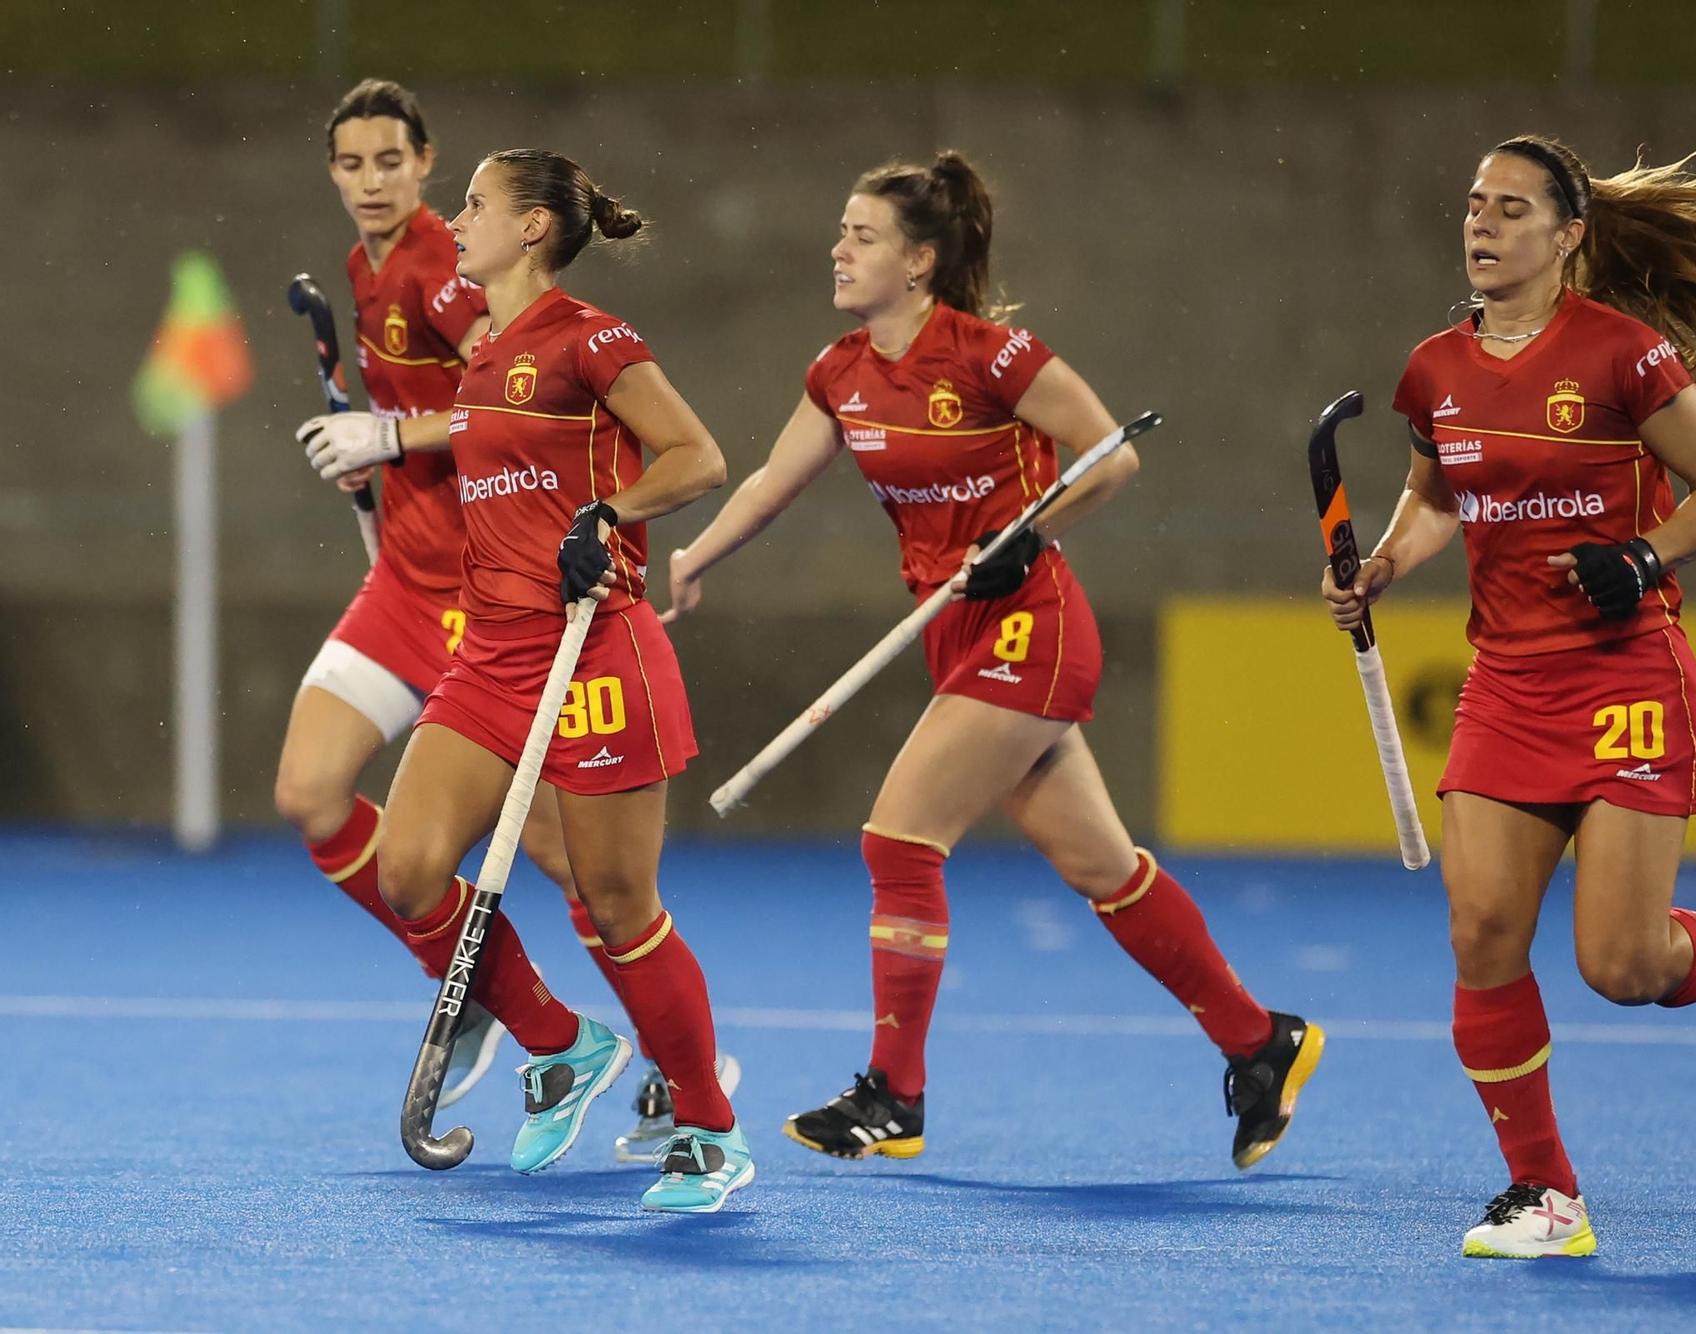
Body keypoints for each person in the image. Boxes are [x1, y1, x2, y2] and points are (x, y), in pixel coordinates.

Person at [665, 151, 1323, 1170]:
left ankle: (895, 1093)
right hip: (954, 632)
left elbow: (1111, 454)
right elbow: (770, 480)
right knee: (1101, 868)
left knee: (898, 839)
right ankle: (1259, 1040)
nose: (838, 249)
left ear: (919, 261)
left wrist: (1028, 532)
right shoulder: (839, 370)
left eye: (862, 236)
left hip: (1030, 623)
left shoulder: (992, 356)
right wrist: (696, 555)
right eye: (841, 232)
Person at [1322, 135, 1696, 1258]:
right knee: (1481, 931)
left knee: (1623, 967)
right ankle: (1543, 1192)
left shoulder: (1623, 355)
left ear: (1566, 234)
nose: (1481, 224)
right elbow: (1435, 497)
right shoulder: (1435, 368)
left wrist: (1643, 556)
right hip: (1506, 683)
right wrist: (1382, 564)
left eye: (1510, 208)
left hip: (1624, 676)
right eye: (1473, 205)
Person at [285, 80, 736, 1156]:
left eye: (398, 165)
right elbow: (478, 437)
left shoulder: (527, 319)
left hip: (560, 628)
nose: (387, 190)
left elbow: (693, 456)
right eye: (349, 162)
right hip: (467, 623)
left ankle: (690, 1082)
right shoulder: (460, 330)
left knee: (599, 884)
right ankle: (546, 1031)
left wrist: (604, 516)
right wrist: (382, 459)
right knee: (381, 844)